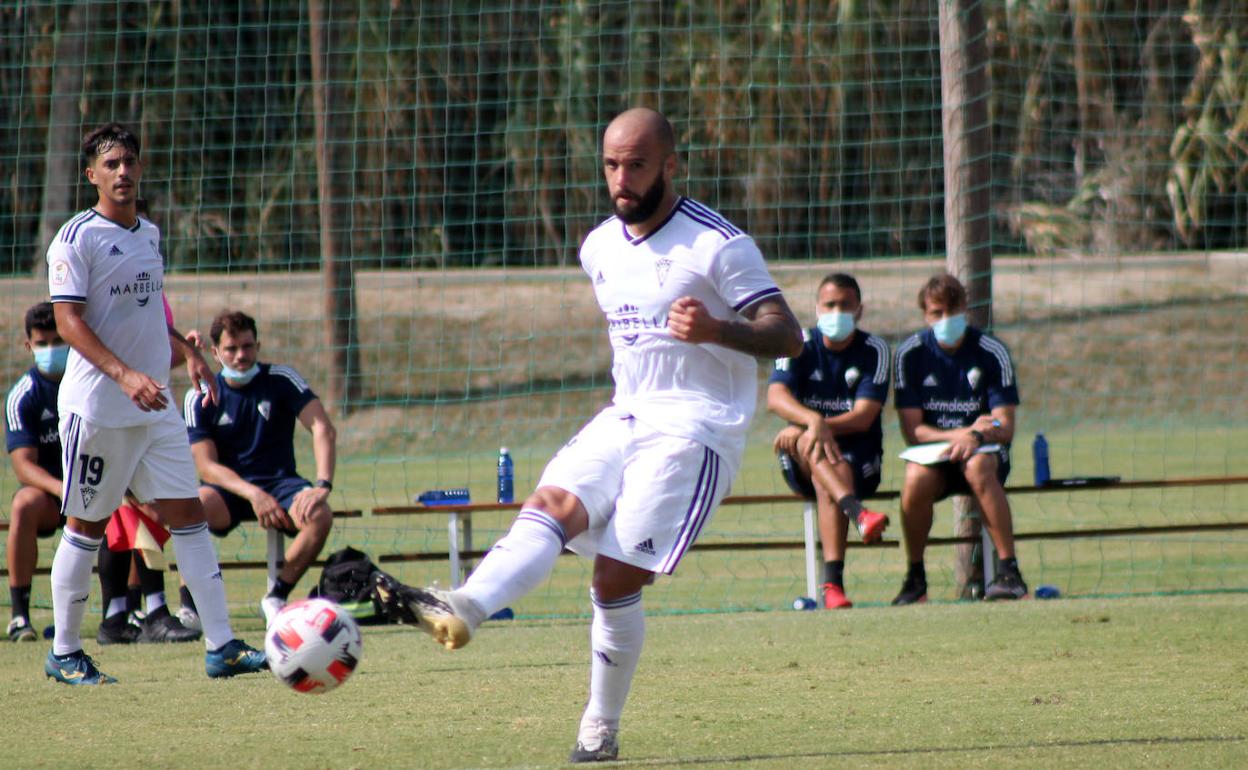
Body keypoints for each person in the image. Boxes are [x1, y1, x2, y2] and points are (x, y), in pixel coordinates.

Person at [371, 107, 802, 763]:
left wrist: (719, 330)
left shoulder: (717, 244)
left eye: (636, 164)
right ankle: (464, 605)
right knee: (549, 507)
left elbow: (787, 334)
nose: (622, 179)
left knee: (612, 579)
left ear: (670, 165)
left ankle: (598, 730)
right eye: (611, 165)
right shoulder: (598, 246)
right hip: (626, 414)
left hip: (694, 427)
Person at [42, 122, 266, 684]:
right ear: (91, 174)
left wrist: (184, 352)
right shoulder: (75, 239)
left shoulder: (148, 233)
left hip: (155, 406)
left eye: (129, 162)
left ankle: (222, 646)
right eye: (110, 164)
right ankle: (64, 651)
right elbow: (68, 322)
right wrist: (123, 376)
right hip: (99, 408)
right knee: (87, 526)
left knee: (187, 515)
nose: (122, 172)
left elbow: (146, 310)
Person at [5, 303, 197, 646]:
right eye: (43, 343)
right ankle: (21, 615)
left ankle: (132, 610)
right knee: (24, 503)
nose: (52, 350)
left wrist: (187, 350)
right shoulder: (25, 395)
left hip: (102, 480)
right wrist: (69, 489)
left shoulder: (93, 378)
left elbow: (157, 362)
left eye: (58, 341)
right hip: (55, 490)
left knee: (136, 503)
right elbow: (23, 466)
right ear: (28, 346)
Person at [183, 309, 337, 627]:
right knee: (190, 507)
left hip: (282, 486)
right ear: (214, 353)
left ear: (258, 345)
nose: (241, 355)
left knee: (320, 515)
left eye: (248, 346)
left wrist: (322, 485)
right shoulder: (199, 396)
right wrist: (253, 493)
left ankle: (277, 597)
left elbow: (322, 427)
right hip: (229, 491)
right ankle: (191, 607)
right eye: (231, 349)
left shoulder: (281, 379)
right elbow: (206, 465)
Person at [891, 272, 1028, 604]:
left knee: (979, 466)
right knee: (914, 476)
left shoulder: (991, 351)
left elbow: (1005, 424)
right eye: (937, 313)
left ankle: (1010, 573)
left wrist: (977, 436)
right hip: (935, 456)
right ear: (925, 314)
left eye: (952, 313)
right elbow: (914, 431)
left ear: (965, 309)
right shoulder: (910, 354)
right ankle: (916, 578)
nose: (945, 320)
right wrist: (963, 433)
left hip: (985, 451)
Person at [766, 273, 891, 609]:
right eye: (830, 304)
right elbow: (775, 396)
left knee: (828, 466)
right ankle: (855, 524)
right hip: (801, 460)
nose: (837, 311)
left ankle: (834, 580)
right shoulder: (797, 342)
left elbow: (864, 416)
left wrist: (813, 428)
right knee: (817, 451)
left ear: (859, 310)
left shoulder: (875, 349)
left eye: (845, 305)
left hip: (860, 459)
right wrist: (812, 421)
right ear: (817, 308)